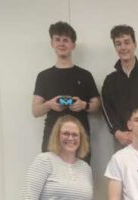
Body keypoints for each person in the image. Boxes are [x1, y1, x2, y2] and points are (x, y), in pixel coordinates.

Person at [32, 21, 101, 164]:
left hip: (79, 137)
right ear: (52, 43)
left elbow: (97, 105)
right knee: (51, 176)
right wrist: (50, 104)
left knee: (81, 176)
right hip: (52, 137)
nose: (61, 44)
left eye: (66, 40)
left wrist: (84, 105)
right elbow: (35, 111)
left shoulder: (85, 75)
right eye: (57, 39)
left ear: (73, 45)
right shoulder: (43, 76)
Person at [102, 25, 138, 150]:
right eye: (118, 44)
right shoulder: (110, 80)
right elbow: (107, 111)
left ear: (135, 45)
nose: (123, 47)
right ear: (115, 48)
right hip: (121, 139)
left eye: (127, 42)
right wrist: (117, 132)